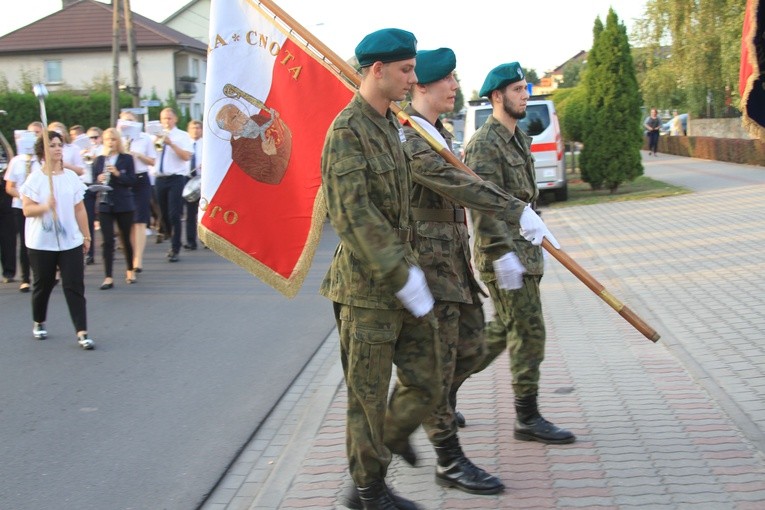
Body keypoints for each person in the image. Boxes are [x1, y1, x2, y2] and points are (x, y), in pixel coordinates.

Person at [397, 47, 556, 497]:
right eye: (445, 78)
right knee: (505, 337)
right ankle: (434, 440)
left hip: (461, 265)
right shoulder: (423, 136)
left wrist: (524, 219)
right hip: (441, 268)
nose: (454, 85)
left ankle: (427, 412)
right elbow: (470, 190)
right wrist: (500, 245)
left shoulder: (442, 131)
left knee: (474, 346)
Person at [321, 28, 441, 510]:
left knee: (429, 379)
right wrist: (401, 275)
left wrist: (412, 274)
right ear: (378, 70)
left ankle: (378, 459)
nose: (414, 78)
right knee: (366, 400)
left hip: (403, 282)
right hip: (368, 291)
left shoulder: (390, 123)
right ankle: (369, 493)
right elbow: (353, 215)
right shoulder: (346, 131)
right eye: (407, 70)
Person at [460, 62, 575, 445]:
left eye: (526, 88)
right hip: (503, 255)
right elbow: (481, 204)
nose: (526, 95)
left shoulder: (517, 137)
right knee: (528, 330)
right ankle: (527, 417)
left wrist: (536, 224)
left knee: (501, 331)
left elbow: (523, 198)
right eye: (517, 90)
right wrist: (500, 255)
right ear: (497, 96)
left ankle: (439, 385)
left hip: (525, 250)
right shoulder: (483, 144)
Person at [19, 130, 94, 350]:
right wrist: (45, 206)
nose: (57, 148)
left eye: (59, 144)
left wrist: (86, 235)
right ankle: (39, 320)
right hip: (41, 242)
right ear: (43, 151)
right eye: (52, 145)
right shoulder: (35, 178)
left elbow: (79, 209)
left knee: (74, 284)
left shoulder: (71, 178)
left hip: (70, 240)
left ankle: (82, 332)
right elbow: (27, 210)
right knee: (44, 283)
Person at [93, 127, 136, 289]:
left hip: (123, 203)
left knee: (125, 238)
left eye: (113, 139)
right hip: (105, 203)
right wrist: (99, 178)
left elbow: (132, 181)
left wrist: (117, 174)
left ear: (118, 141)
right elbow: (94, 183)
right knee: (107, 240)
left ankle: (130, 269)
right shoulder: (99, 160)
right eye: (107, 140)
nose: (110, 143)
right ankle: (108, 276)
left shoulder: (126, 159)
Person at [4, 122, 43, 292]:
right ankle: (25, 278)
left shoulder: (42, 160)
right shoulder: (16, 161)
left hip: (40, 206)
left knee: (39, 241)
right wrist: (24, 196)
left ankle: (42, 274)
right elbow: (9, 187)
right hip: (20, 206)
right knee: (25, 242)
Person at [117, 111, 156, 272]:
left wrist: (138, 155)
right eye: (125, 120)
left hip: (140, 179)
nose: (128, 123)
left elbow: (152, 161)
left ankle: (137, 259)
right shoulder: (117, 137)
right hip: (124, 180)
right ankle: (130, 253)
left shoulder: (144, 138)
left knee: (140, 221)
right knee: (128, 221)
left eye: (131, 121)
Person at [153, 108, 192, 262]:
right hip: (160, 178)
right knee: (163, 214)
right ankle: (171, 235)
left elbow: (186, 157)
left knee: (174, 213)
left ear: (175, 119)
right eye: (163, 118)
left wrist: (171, 144)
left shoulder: (182, 136)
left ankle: (175, 248)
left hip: (176, 178)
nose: (166, 121)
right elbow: (151, 157)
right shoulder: (155, 136)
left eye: (169, 118)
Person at [81, 126, 102, 265]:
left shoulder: (103, 150)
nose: (93, 140)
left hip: (100, 186)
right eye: (90, 138)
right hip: (87, 186)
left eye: (95, 137)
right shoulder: (81, 151)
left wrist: (96, 159)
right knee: (88, 220)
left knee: (104, 219)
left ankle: (109, 247)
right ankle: (90, 254)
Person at [183, 119, 202, 251]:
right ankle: (191, 241)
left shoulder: (206, 144)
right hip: (187, 179)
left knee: (203, 211)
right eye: (193, 128)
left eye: (198, 128)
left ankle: (207, 239)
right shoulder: (184, 144)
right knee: (190, 213)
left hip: (201, 179)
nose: (195, 130)